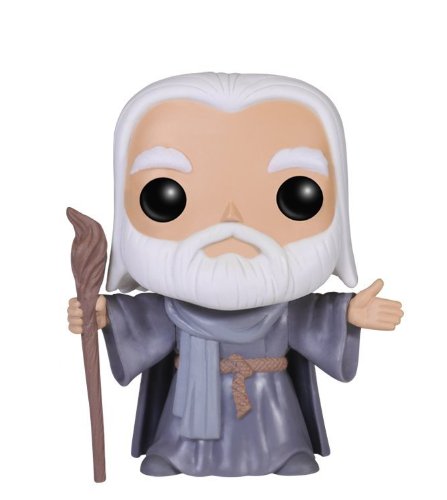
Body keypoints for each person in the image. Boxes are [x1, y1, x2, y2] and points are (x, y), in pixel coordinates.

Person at [67, 72, 403, 476]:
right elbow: (142, 320)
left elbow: (313, 315)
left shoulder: (282, 307)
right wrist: (102, 314)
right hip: (190, 400)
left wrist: (348, 314)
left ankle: (284, 452)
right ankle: (177, 453)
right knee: (177, 441)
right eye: (165, 196)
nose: (231, 218)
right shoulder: (174, 308)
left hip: (268, 398)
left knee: (278, 432)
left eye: (296, 194)